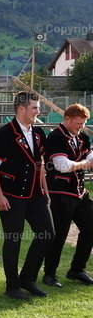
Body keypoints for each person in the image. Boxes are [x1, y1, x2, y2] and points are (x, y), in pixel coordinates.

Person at [0, 91, 54, 300]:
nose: (38, 111)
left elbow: (40, 165)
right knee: (13, 239)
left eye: (38, 108)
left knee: (47, 233)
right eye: (35, 108)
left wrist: (45, 190)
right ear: (21, 109)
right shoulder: (2, 135)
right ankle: (12, 286)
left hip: (36, 194)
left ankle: (28, 279)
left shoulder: (39, 134)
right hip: (11, 195)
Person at [42, 104, 93, 286]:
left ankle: (77, 270)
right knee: (59, 235)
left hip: (79, 192)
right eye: (78, 123)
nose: (81, 126)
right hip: (59, 193)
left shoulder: (82, 138)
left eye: (84, 123)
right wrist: (85, 163)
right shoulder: (55, 137)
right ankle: (49, 274)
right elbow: (62, 166)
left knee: (91, 227)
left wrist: (87, 160)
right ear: (67, 119)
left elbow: (89, 155)